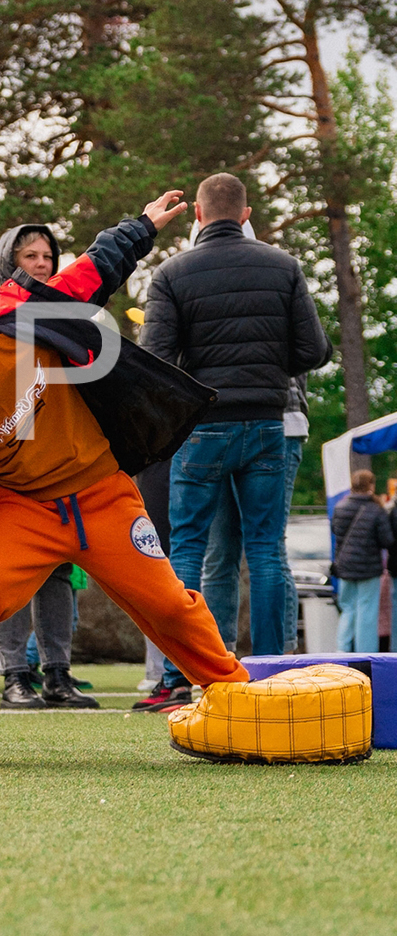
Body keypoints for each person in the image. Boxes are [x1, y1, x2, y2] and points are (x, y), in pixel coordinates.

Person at [0, 191, 249, 718]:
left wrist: (140, 227)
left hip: (102, 495)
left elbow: (86, 274)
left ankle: (235, 692)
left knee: (167, 604)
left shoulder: (16, 322)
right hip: (23, 510)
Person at [139, 173, 332, 707]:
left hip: (204, 426)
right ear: (246, 215)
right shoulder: (283, 266)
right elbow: (314, 351)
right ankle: (274, 669)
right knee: (267, 550)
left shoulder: (172, 273)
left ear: (199, 215)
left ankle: (182, 672)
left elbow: (155, 359)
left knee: (189, 548)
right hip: (268, 424)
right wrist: (265, 362)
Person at [0, 223, 95, 709]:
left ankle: (57, 674)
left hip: (60, 465)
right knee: (10, 574)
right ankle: (15, 676)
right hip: (9, 468)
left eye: (48, 256)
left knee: (57, 574)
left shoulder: (66, 318)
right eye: (30, 255)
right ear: (9, 262)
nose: (42, 264)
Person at [199, 375, 311, 655]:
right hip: (223, 419)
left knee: (259, 549)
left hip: (263, 418)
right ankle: (225, 657)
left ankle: (275, 656)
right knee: (240, 549)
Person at [330, 469, 392, 653]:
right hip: (368, 568)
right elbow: (387, 540)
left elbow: (335, 531)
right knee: (367, 611)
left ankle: (342, 651)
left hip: (345, 567)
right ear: (371, 485)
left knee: (347, 608)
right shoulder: (376, 509)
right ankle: (365, 653)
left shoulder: (340, 507)